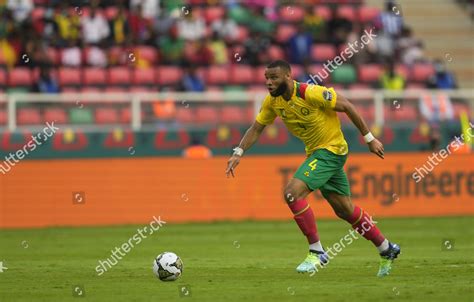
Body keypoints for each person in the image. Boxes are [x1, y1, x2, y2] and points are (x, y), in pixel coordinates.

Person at [225, 60, 400, 276]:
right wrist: (238, 152)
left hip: (331, 150)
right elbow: (257, 128)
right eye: (266, 78)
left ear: (288, 76)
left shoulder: (311, 92)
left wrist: (370, 138)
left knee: (292, 193)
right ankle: (386, 248)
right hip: (317, 153)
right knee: (345, 210)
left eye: (274, 78)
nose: (269, 83)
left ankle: (316, 251)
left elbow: (347, 106)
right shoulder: (272, 102)